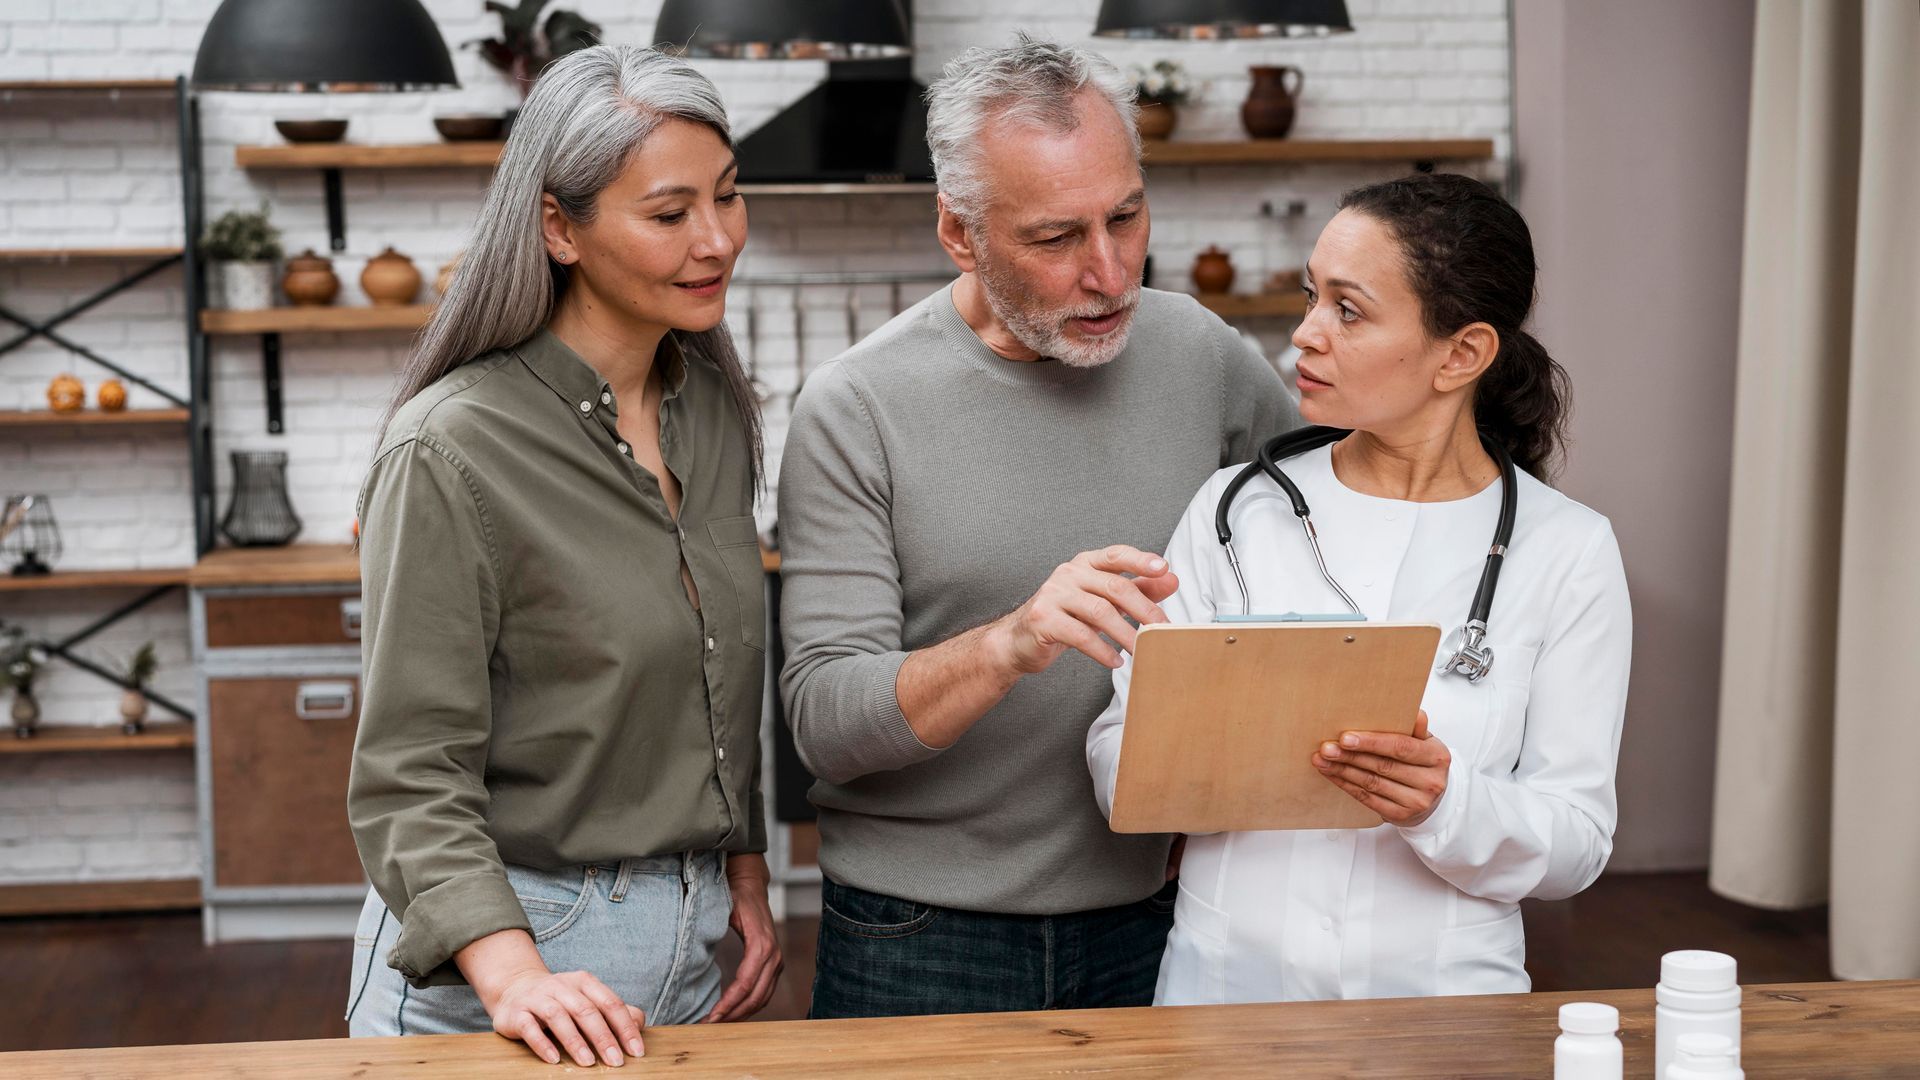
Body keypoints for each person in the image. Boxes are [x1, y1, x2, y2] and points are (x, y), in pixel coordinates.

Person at [777, 35, 1296, 1018]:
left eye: (1127, 217)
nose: (1109, 272)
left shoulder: (1204, 355)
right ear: (960, 233)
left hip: (1164, 912)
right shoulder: (856, 406)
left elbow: (1335, 537)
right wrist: (1011, 642)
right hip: (918, 941)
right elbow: (826, 725)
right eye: (1056, 239)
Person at [1088, 172, 1633, 1004]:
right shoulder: (1238, 513)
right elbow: (1117, 743)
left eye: (1347, 309)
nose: (1304, 334)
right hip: (1227, 991)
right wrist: (1182, 758)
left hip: (1444, 1004)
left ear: (1463, 354)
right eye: (1312, 296)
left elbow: (1578, 843)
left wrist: (1445, 804)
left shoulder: (1568, 551)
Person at [344, 45, 780, 1067]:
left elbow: (718, 674)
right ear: (558, 226)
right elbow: (411, 771)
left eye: (728, 196)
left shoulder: (712, 412)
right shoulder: (450, 447)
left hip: (692, 942)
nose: (717, 239)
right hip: (505, 959)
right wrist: (515, 976)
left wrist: (745, 876)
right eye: (670, 214)